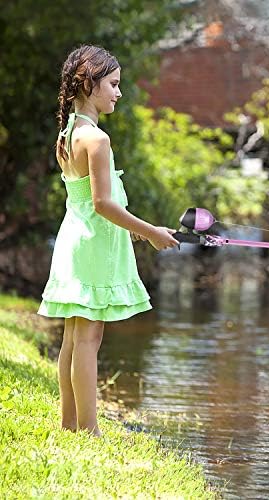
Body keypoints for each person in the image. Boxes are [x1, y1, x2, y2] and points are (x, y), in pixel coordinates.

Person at [37, 45, 179, 437]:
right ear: (89, 84)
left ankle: (70, 424)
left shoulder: (68, 133)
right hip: (93, 245)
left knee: (73, 337)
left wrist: (132, 225)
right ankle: (89, 430)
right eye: (113, 84)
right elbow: (102, 204)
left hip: (76, 239)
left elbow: (90, 199)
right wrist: (151, 232)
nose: (119, 92)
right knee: (88, 338)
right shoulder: (97, 139)